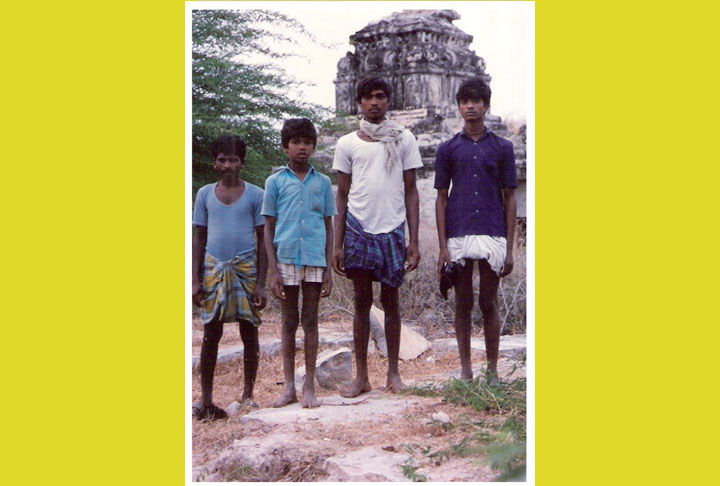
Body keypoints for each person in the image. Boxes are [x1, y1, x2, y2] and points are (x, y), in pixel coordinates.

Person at [332, 77, 422, 397]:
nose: (374, 102)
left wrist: (413, 240)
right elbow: (341, 196)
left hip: (393, 228)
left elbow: (411, 191)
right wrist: (338, 243)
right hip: (358, 228)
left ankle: (393, 373)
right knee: (361, 303)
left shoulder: (404, 139)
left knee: (392, 302)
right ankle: (362, 378)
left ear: (388, 101)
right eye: (368, 97)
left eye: (380, 96)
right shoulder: (347, 144)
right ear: (358, 103)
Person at [434, 78, 517, 383]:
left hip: (492, 229)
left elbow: (510, 198)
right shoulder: (448, 149)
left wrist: (509, 248)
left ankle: (493, 370)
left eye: (476, 101)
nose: (470, 106)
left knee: (489, 301)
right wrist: (443, 247)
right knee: (463, 301)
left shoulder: (502, 148)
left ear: (486, 105)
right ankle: (466, 370)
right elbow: (441, 198)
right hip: (459, 230)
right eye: (464, 101)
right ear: (458, 107)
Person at [192, 135, 268, 420]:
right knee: (211, 333)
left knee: (250, 331)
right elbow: (199, 236)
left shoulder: (256, 195)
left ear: (243, 162)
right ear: (214, 163)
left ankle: (248, 396)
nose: (228, 165)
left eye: (233, 159)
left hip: (246, 270)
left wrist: (261, 282)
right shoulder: (203, 195)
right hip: (213, 270)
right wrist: (195, 280)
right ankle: (206, 399)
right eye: (222, 159)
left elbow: (263, 240)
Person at [263, 118, 336, 408]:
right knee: (289, 321)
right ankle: (289, 387)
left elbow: (329, 226)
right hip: (286, 259)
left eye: (307, 142)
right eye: (295, 143)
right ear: (285, 147)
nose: (302, 148)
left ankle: (309, 387)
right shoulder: (275, 182)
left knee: (311, 320)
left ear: (314, 146)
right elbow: (268, 228)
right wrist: (272, 271)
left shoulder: (323, 182)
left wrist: (329, 268)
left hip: (315, 259)